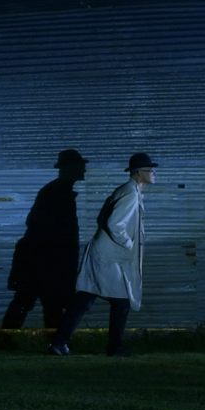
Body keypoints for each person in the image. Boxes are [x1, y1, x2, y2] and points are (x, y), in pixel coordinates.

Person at [49, 152, 155, 357]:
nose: (154, 173)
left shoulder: (129, 191)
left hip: (105, 255)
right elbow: (114, 224)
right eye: (150, 170)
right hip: (108, 257)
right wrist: (129, 244)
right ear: (138, 173)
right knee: (120, 300)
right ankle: (115, 347)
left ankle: (60, 341)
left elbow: (102, 219)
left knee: (85, 298)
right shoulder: (131, 193)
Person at [2, 149, 87, 329]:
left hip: (42, 261)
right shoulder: (58, 193)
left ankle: (11, 340)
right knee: (44, 303)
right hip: (47, 263)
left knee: (35, 302)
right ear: (70, 168)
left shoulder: (57, 191)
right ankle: (51, 341)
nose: (84, 170)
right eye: (80, 166)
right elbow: (42, 226)